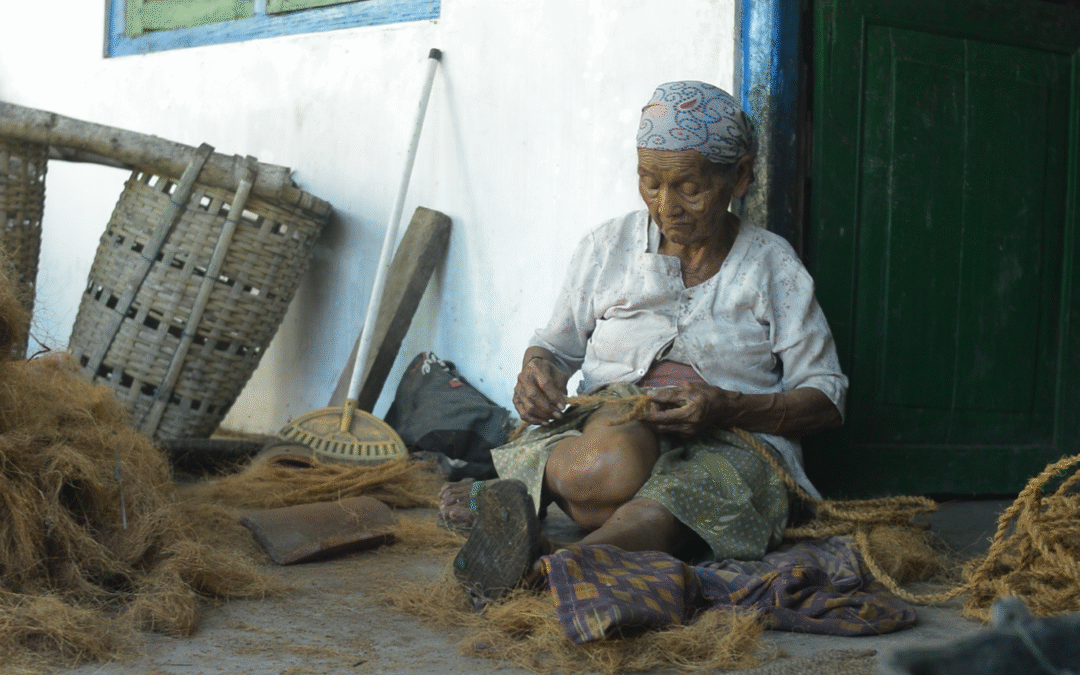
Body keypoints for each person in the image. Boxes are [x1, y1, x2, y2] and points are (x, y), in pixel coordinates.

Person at [448, 81, 847, 601]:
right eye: (649, 182)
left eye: (689, 186)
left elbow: (826, 397)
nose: (666, 206)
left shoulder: (772, 266)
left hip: (733, 439)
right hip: (616, 419)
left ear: (740, 176)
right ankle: (560, 536)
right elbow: (554, 344)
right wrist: (536, 371)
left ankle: (553, 561)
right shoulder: (607, 247)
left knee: (671, 502)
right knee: (609, 465)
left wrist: (728, 406)